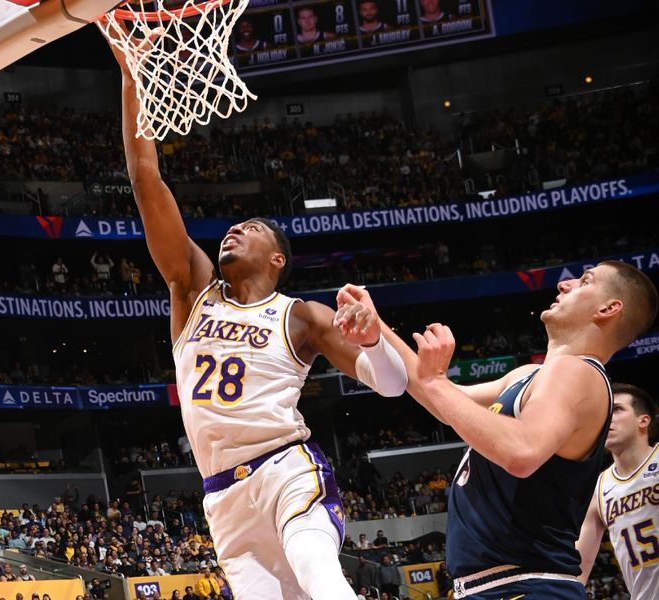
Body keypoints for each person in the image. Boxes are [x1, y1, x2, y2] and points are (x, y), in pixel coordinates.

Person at [104, 33, 408, 600]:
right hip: (222, 495)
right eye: (232, 227)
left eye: (254, 229)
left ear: (277, 259)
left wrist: (374, 343)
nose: (235, 229)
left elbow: (391, 387)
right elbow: (146, 181)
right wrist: (131, 80)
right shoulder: (193, 290)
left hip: (287, 470)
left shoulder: (302, 317)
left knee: (322, 576)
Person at [335, 260, 658, 599]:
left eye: (585, 281)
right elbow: (444, 400)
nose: (565, 285)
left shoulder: (578, 371)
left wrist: (437, 383)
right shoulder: (527, 376)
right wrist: (378, 329)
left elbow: (522, 452)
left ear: (609, 308)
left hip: (526, 585)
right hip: (499, 586)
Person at [576, 383, 658, 599]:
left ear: (644, 420)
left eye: (617, 410)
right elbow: (577, 571)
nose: (606, 419)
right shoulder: (599, 489)